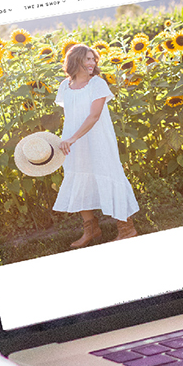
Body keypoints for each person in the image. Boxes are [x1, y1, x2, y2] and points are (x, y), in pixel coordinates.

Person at [53, 43, 140, 248]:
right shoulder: (65, 85)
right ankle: (91, 229)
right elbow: (71, 114)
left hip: (97, 138)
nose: (92, 63)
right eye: (88, 59)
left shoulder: (97, 84)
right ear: (75, 61)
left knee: (110, 173)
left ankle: (127, 229)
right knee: (79, 175)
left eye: (93, 59)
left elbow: (94, 116)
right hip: (74, 141)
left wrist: (73, 138)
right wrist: (68, 138)